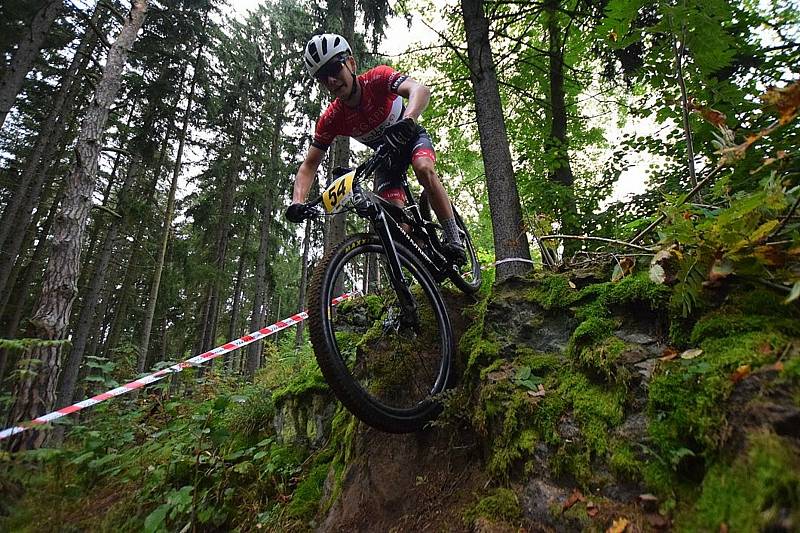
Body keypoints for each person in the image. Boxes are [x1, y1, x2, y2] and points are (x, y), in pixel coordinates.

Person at [284, 33, 466, 264]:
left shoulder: (377, 79)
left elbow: (419, 90)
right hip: (385, 159)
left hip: (410, 139)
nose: (331, 80)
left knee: (423, 168)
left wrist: (408, 119)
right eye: (322, 76)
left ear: (351, 63)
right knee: (395, 226)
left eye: (334, 68)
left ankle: (454, 239)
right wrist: (297, 201)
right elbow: (309, 165)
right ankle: (424, 259)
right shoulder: (332, 118)